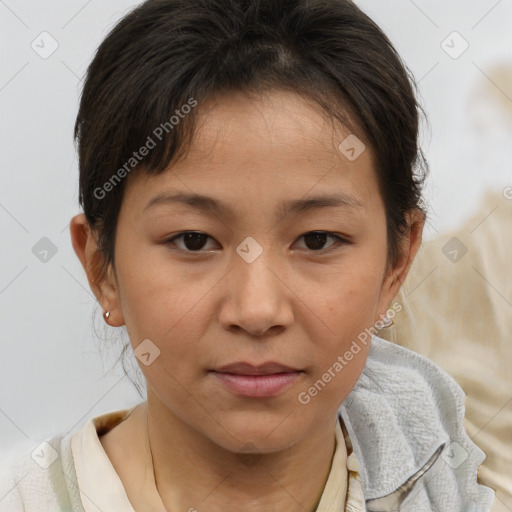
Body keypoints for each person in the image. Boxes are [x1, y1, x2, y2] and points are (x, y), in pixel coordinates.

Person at [0, 0, 496, 510]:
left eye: (318, 240)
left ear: (396, 265)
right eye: (194, 240)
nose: (257, 311)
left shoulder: (439, 474)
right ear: (102, 267)